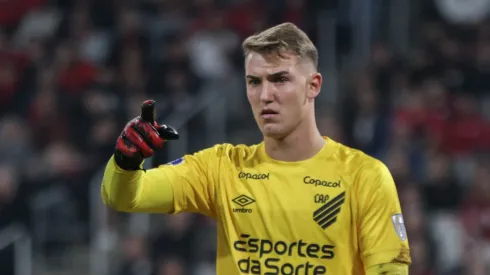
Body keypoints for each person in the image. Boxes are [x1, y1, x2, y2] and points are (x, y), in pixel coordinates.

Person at [101, 22, 411, 275]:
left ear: (313, 85)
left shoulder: (365, 177)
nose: (265, 95)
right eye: (254, 82)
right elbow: (125, 196)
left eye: (280, 80)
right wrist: (125, 163)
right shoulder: (222, 167)